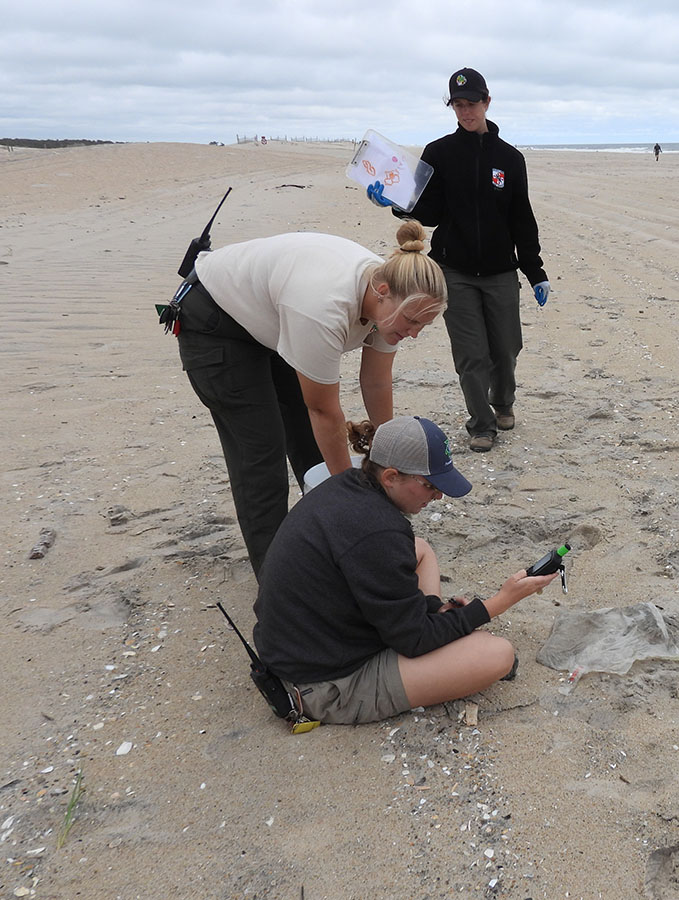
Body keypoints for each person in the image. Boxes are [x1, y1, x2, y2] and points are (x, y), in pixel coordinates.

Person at [174, 221, 447, 577]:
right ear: (381, 291)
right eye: (410, 322)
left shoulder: (390, 302)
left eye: (422, 327)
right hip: (214, 319)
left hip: (271, 319)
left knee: (309, 444)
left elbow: (376, 382)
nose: (411, 335)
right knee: (261, 449)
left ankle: (329, 540)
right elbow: (324, 411)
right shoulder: (324, 306)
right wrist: (355, 493)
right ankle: (277, 580)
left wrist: (386, 455)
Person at [251, 415, 559, 724]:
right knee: (497, 655)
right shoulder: (378, 533)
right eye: (429, 485)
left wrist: (436, 611)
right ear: (390, 477)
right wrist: (499, 602)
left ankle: (436, 618)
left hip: (304, 641)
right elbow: (415, 641)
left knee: (421, 549)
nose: (438, 495)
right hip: (320, 684)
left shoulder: (348, 485)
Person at [373, 67, 549, 454]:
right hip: (454, 270)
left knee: (506, 349)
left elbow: (522, 217)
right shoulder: (439, 152)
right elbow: (429, 210)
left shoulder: (510, 159)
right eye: (458, 105)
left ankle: (503, 403)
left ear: (487, 102)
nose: (465, 111)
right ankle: (481, 424)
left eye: (472, 104)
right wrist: (397, 204)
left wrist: (534, 270)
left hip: (502, 270)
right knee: (471, 354)